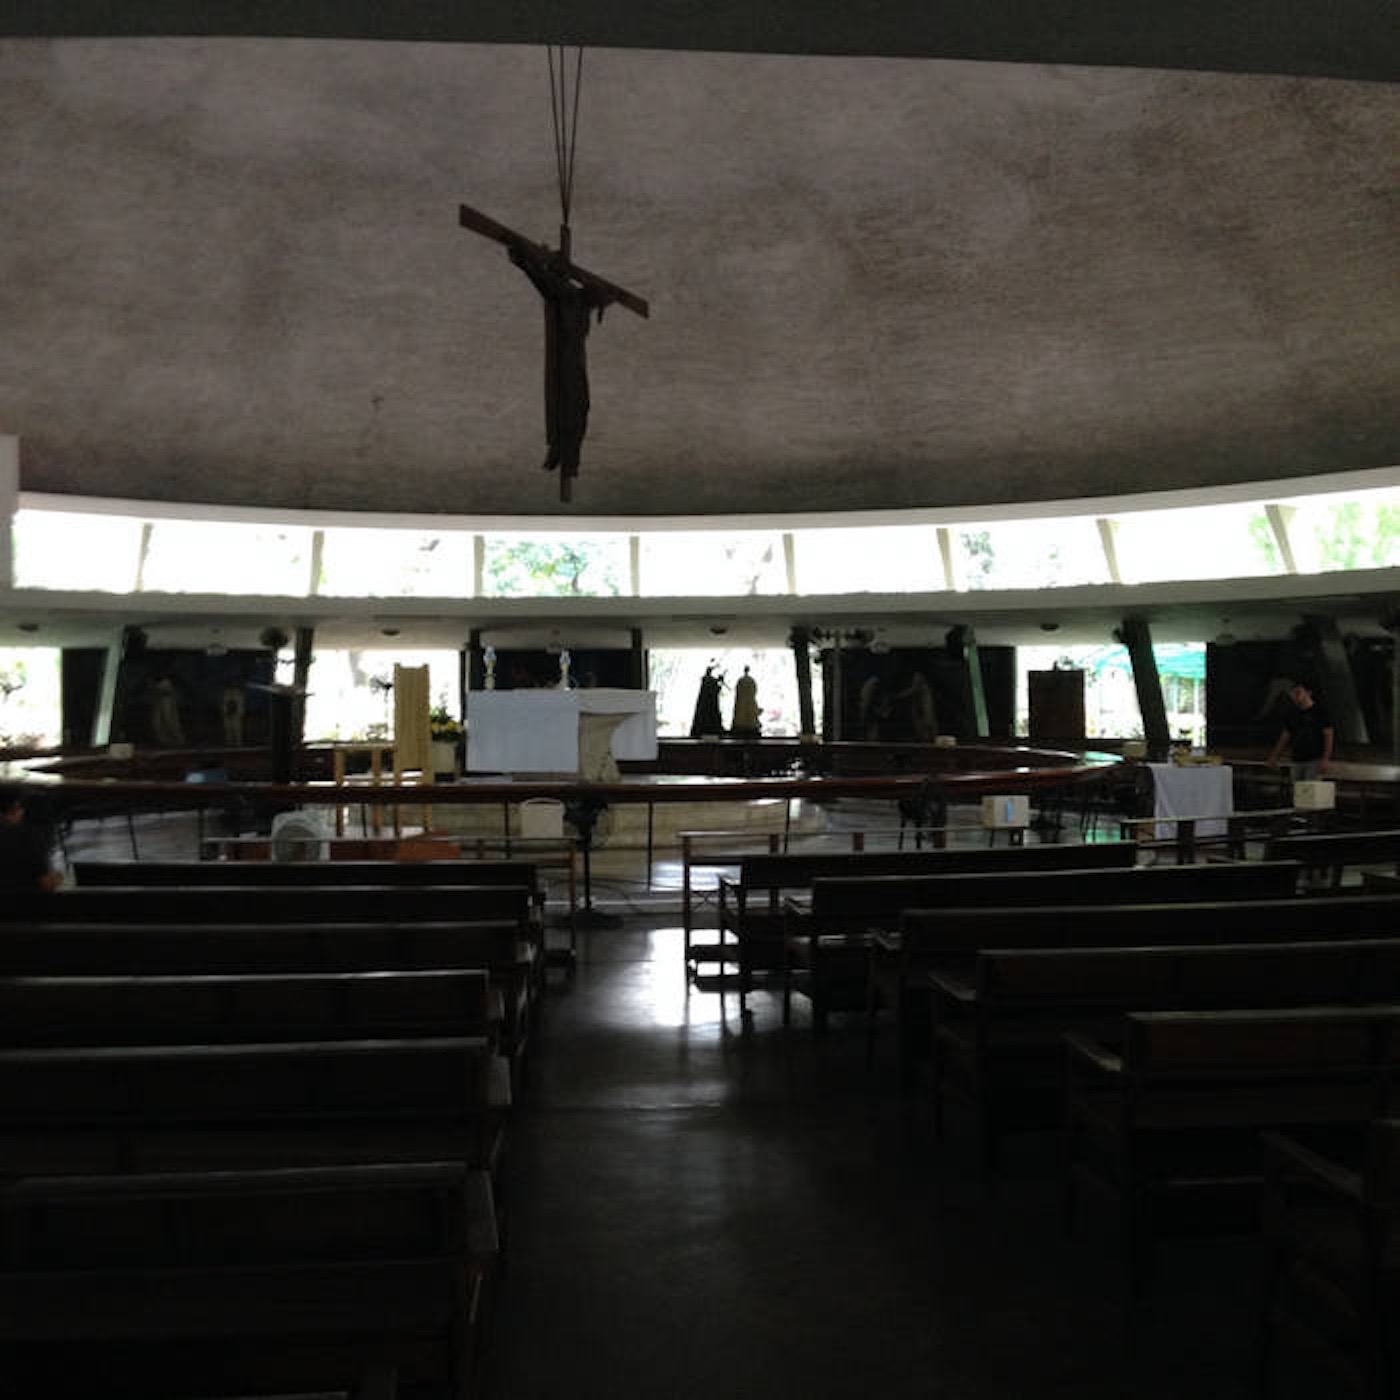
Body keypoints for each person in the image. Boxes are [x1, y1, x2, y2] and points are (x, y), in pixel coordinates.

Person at [1266, 679, 1334, 779]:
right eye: (1293, 693)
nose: (1295, 696)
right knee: (1297, 786)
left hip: (1314, 759)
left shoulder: (1319, 712)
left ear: (1308, 693)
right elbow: (1285, 736)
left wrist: (1326, 758)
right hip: (1297, 759)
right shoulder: (1293, 714)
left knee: (1310, 786)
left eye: (1298, 692)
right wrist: (1275, 756)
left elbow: (1328, 735)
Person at [0, 784, 61, 891]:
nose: (22, 812)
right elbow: (46, 883)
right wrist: (58, 877)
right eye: (19, 808)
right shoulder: (27, 837)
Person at [730, 666, 761, 738]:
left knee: (741, 717)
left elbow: (737, 690)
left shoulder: (741, 680)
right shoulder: (751, 680)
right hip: (749, 701)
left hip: (742, 702)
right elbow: (754, 690)